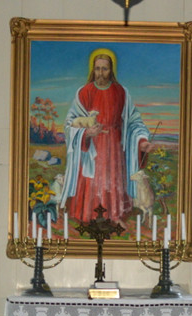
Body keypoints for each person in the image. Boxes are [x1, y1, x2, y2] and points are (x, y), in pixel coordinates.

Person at [59, 48, 153, 223]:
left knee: (112, 180)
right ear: (92, 70)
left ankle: (115, 216)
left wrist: (142, 141)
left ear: (111, 70)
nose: (100, 73)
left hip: (115, 147)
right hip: (92, 148)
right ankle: (88, 216)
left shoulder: (121, 92)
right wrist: (86, 133)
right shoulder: (84, 92)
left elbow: (134, 122)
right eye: (97, 69)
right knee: (93, 181)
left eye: (104, 69)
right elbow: (70, 123)